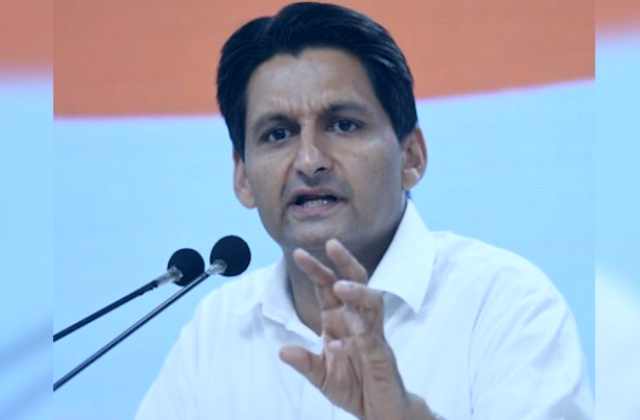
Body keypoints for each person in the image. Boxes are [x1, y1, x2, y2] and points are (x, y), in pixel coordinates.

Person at [135, 3, 593, 419]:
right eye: (278, 134)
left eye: (343, 125)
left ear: (411, 157)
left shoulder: (503, 304)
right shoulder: (219, 329)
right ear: (242, 177)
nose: (309, 160)